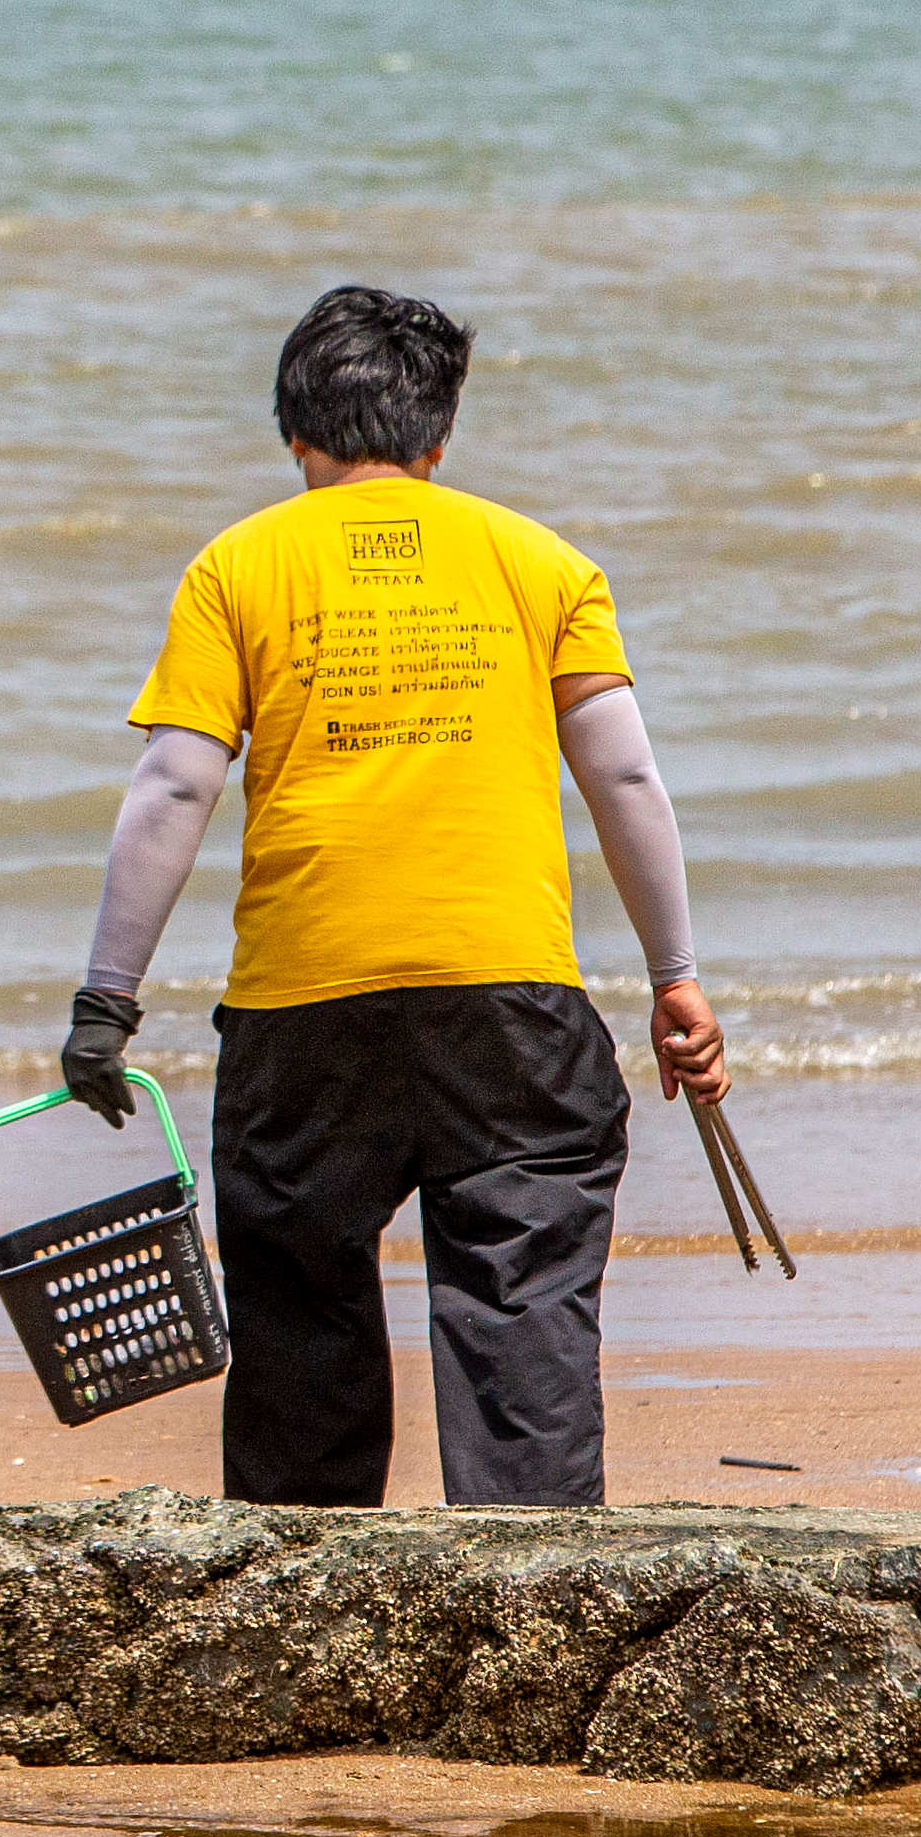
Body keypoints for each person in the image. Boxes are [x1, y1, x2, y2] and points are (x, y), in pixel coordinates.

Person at [55, 285, 724, 1508]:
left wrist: (108, 998)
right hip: (510, 1001)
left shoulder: (237, 565)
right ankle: (531, 1606)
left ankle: (304, 1598)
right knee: (522, 1300)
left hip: (305, 1009)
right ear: (439, 437)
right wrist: (675, 974)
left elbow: (173, 788)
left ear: (294, 433)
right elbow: (624, 771)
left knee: (300, 1301)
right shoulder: (542, 560)